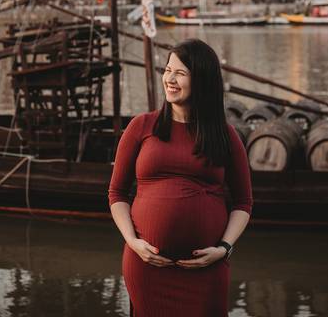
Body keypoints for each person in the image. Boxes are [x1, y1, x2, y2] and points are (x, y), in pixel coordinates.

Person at [108, 38, 253, 316]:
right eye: (167, 70)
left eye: (180, 73)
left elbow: (244, 202)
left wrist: (224, 248)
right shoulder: (141, 126)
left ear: (202, 81)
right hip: (147, 267)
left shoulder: (225, 135)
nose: (170, 79)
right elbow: (116, 193)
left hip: (206, 271)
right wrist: (132, 241)